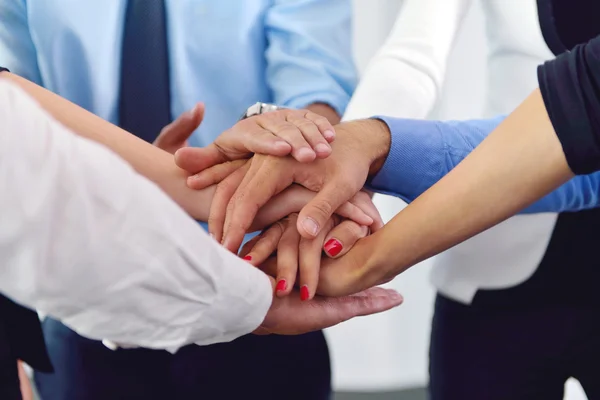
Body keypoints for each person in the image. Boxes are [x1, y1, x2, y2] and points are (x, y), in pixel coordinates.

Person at [175, 2, 600, 397]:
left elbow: (578, 120)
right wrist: (335, 164)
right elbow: (413, 58)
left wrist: (361, 179)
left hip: (496, 192)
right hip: (493, 267)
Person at [0, 0, 361, 398]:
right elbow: (19, 126)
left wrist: (288, 154)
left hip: (255, 268)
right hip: (89, 291)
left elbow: (317, 84)